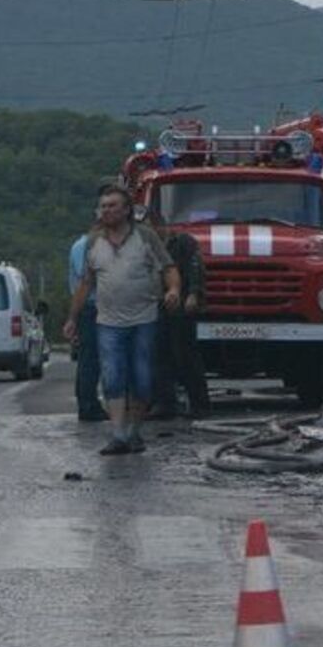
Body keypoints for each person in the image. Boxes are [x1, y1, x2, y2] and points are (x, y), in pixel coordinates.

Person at [64, 184, 180, 455]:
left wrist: (173, 289)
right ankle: (118, 435)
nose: (107, 210)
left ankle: (135, 431)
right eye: (103, 206)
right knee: (112, 376)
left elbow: (169, 268)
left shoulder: (146, 237)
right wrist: (72, 317)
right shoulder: (94, 242)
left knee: (141, 378)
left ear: (127, 210)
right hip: (108, 322)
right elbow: (85, 283)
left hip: (144, 319)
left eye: (112, 205)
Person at [149, 212, 210, 418]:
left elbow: (195, 268)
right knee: (160, 357)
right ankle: (165, 403)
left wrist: (193, 293)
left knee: (186, 356)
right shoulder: (149, 248)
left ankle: (200, 404)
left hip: (181, 305)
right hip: (157, 307)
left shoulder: (182, 242)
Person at [68, 231, 108, 422]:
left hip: (90, 306)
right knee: (90, 360)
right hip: (92, 305)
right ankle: (88, 406)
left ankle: (88, 403)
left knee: (89, 359)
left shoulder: (81, 244)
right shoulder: (86, 246)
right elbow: (86, 280)